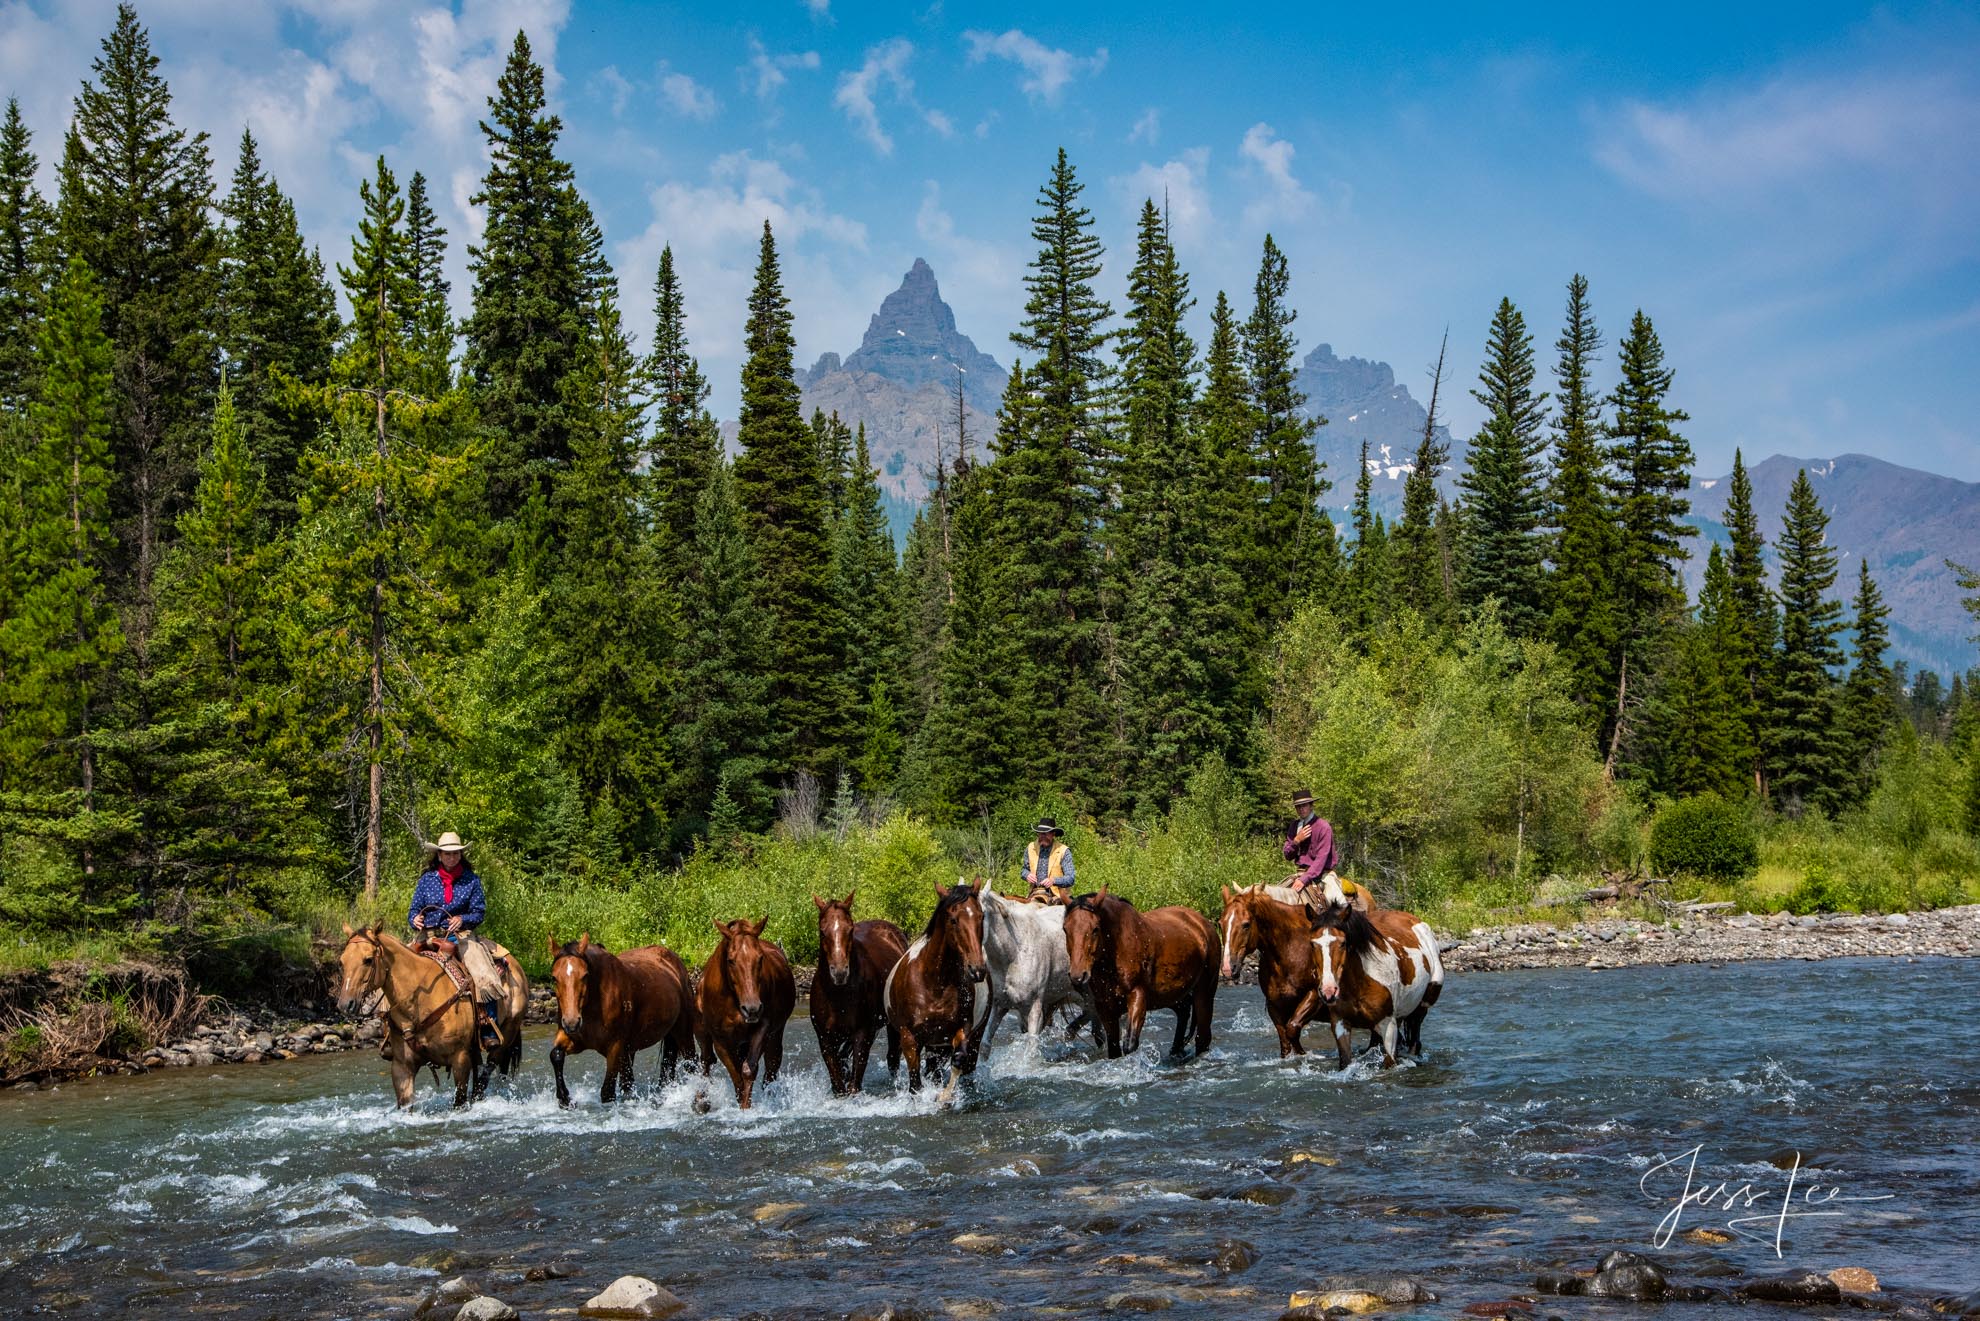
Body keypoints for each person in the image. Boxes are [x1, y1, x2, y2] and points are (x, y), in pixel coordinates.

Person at [408, 831, 503, 1049]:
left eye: (455, 853)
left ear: (461, 855)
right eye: (447, 854)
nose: (451, 857)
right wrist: (416, 918)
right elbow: (413, 910)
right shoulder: (426, 880)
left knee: (482, 972)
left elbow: (479, 912)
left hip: (459, 937)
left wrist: (462, 919)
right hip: (428, 935)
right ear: (439, 855)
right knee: (394, 965)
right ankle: (392, 1026)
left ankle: (488, 1026)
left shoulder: (471, 880)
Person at [1020, 818, 1074, 903]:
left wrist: (1054, 881)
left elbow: (1071, 878)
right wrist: (1027, 874)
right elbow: (1023, 870)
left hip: (1058, 896)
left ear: (1053, 834)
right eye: (1040, 834)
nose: (1042, 837)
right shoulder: (1031, 847)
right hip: (1034, 894)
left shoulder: (1064, 851)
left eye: (1045, 834)